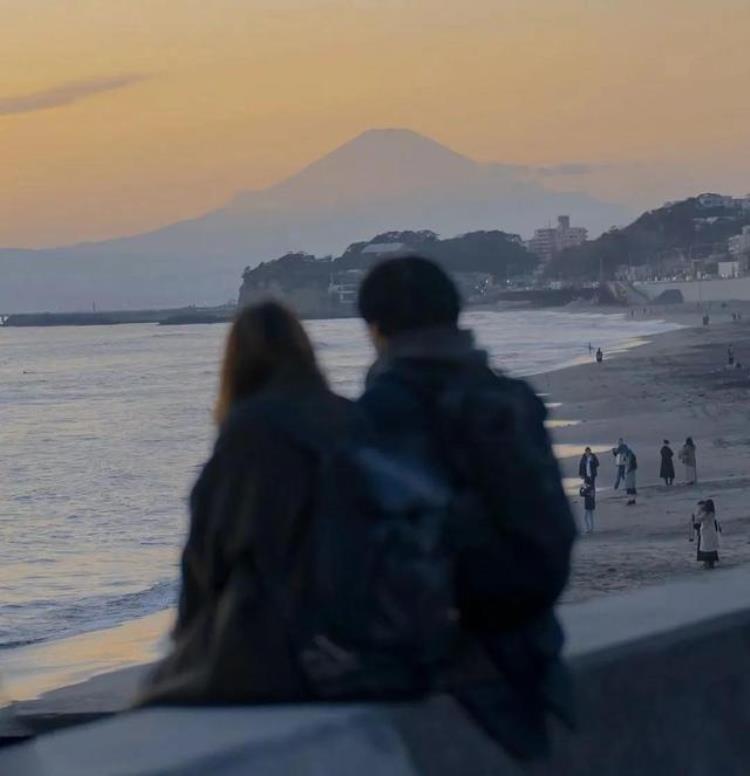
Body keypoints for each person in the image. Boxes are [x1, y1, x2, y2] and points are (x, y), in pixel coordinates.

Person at [357, 256, 576, 760]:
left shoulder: (386, 409)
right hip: (535, 640)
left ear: (375, 329)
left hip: (458, 657)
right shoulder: (509, 396)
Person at [139, 301, 364, 705]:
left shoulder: (251, 428)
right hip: (355, 623)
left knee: (155, 695)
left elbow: (212, 549)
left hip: (284, 638)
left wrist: (188, 635)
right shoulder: (349, 417)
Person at [690, 500, 720, 569]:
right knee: (711, 549)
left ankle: (707, 565)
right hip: (711, 533)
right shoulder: (712, 513)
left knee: (706, 549)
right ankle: (710, 564)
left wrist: (698, 510)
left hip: (706, 533)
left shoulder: (706, 513)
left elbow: (698, 519)